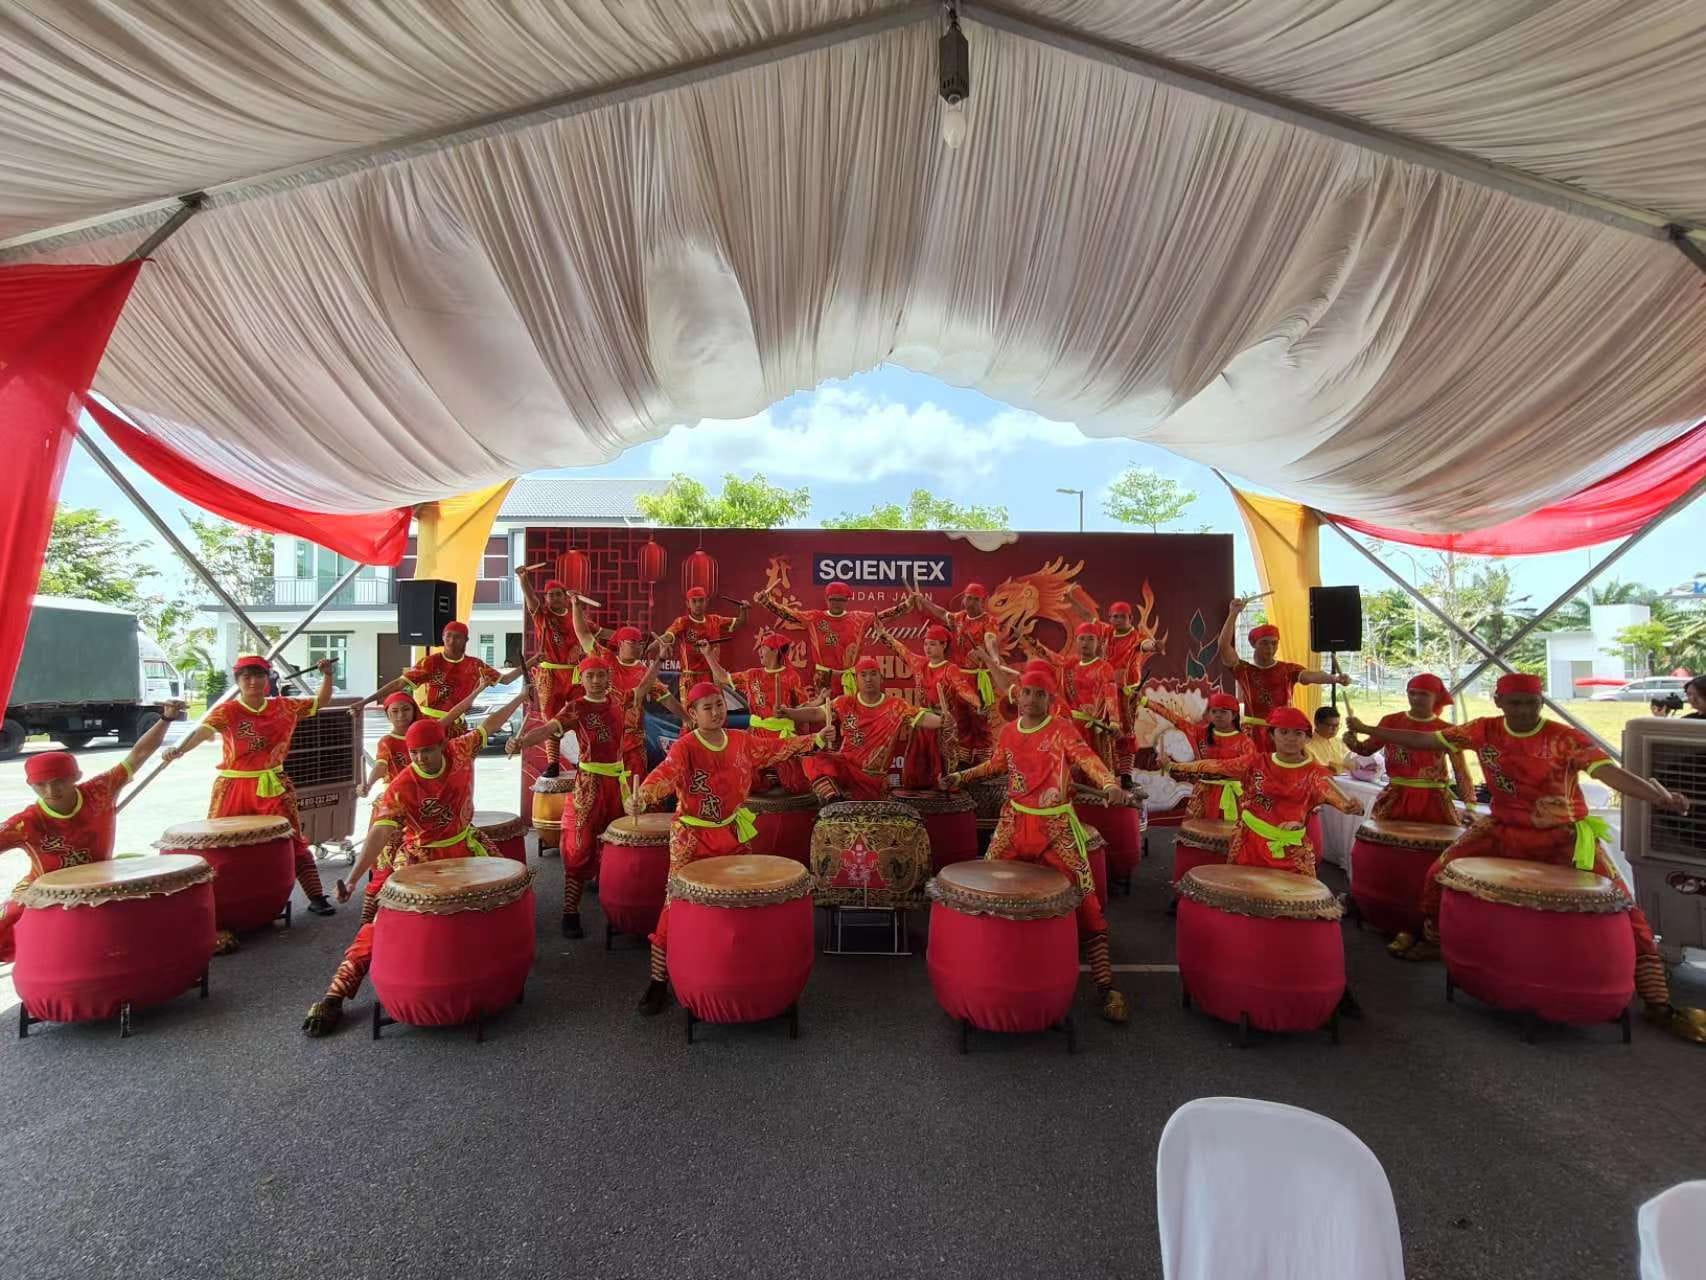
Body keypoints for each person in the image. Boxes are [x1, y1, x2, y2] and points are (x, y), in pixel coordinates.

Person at [1347, 672, 1705, 1044]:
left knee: (1625, 908)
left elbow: (1611, 774)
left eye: (1531, 703)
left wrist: (1656, 796)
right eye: (1515, 703)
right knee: (1439, 871)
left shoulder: (1564, 738)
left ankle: (1658, 1002)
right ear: (1499, 702)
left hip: (1562, 836)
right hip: (1502, 827)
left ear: (1541, 702)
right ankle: (1434, 941)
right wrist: (1371, 729)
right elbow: (1425, 739)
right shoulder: (1483, 729)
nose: (1523, 710)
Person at [302, 687, 532, 1036]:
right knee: (383, 924)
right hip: (420, 858)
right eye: (414, 753)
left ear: (442, 746)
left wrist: (520, 699)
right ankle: (335, 995)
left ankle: (502, 968)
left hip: (465, 845)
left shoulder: (461, 749)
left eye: (427, 751)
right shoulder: (402, 785)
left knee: (512, 895)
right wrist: (353, 877)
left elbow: (491, 723)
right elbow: (380, 833)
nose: (421, 759)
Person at [940, 663, 1137, 1024]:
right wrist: (961, 776)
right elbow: (996, 765)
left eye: (1040, 694)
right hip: (1013, 823)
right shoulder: (1010, 731)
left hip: (1055, 827)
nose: (1031, 699)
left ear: (1050, 699)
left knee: (1086, 901)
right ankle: (990, 969)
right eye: (1027, 692)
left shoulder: (1061, 730)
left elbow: (1087, 759)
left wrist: (1109, 783)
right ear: (1019, 696)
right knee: (987, 892)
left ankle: (1105, 985)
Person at [626, 681, 822, 1016]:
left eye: (719, 705)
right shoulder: (686, 747)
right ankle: (658, 981)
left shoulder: (741, 741)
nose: (716, 712)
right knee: (676, 904)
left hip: (732, 832)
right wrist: (641, 797)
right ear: (693, 714)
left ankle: (739, 970)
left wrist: (815, 740)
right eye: (708, 708)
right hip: (692, 838)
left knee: (743, 899)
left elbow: (776, 747)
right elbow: (663, 775)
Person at [0, 703, 184, 961]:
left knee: (163, 895)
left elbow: (139, 753)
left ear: (76, 776)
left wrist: (166, 718)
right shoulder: (25, 823)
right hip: (45, 889)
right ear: (31, 785)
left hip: (102, 877)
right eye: (41, 785)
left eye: (59, 782)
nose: (51, 791)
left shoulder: (100, 790)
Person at [162, 655, 341, 916]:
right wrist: (178, 749)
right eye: (246, 677)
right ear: (238, 681)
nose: (253, 681)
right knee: (222, 843)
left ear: (268, 679)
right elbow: (202, 733)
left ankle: (315, 895)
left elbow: (321, 701)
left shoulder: (285, 706)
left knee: (290, 840)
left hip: (274, 785)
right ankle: (219, 904)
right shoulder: (227, 711)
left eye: (258, 676)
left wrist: (327, 675)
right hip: (233, 787)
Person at [505, 653, 661, 937]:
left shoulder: (619, 700)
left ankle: (622, 909)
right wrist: (523, 741)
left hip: (618, 783)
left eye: (601, 675)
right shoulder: (576, 708)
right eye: (590, 676)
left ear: (609, 678)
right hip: (589, 785)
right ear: (582, 679)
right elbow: (549, 729)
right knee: (579, 846)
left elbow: (643, 688)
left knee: (621, 844)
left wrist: (658, 660)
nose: (596, 681)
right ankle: (570, 912)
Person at [1162, 705, 1364, 878]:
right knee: (1245, 895)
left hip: (1290, 849)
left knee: (1289, 904)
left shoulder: (1316, 773)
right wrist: (1174, 766)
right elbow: (1214, 765)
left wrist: (1350, 806)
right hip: (1249, 842)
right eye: (1283, 732)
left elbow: (1336, 797)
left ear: (1307, 738)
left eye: (1298, 733)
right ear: (1272, 735)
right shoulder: (1256, 762)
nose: (1290, 739)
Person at [353, 681, 494, 923]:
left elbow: (456, 712)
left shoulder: (426, 732)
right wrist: (369, 782)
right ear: (387, 715)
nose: (401, 716)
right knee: (385, 868)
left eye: (405, 710)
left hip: (428, 809)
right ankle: (370, 923)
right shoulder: (387, 742)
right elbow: (382, 765)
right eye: (395, 711)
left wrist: (478, 690)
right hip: (398, 807)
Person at [792, 657, 943, 802]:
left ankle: (839, 800)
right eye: (863, 675)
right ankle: (833, 799)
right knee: (810, 757)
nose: (868, 679)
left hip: (872, 779)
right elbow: (816, 713)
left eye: (873, 674)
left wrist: (943, 721)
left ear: (881, 678)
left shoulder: (896, 705)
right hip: (846, 770)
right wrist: (789, 713)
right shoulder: (845, 702)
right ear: (856, 679)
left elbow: (922, 718)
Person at [1340, 673, 1472, 825]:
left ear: (1436, 697)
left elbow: (1461, 770)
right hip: (1396, 797)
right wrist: (1351, 741)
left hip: (1434, 801)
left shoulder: (1447, 730)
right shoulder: (1391, 721)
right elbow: (1365, 750)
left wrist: (1470, 805)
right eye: (1412, 693)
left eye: (1424, 694)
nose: (1416, 698)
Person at [1215, 598, 1349, 747]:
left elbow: (1311, 676)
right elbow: (1224, 646)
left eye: (1274, 643)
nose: (1270, 648)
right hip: (1253, 735)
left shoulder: (1288, 670)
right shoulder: (1244, 670)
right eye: (1264, 643)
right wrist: (1233, 613)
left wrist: (1334, 678)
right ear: (1253, 644)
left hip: (1283, 733)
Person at [873, 619, 986, 784]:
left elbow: (964, 689)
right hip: (923, 721)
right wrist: (884, 635)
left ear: (944, 645)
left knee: (941, 768)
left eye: (932, 644)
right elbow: (902, 650)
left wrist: (977, 704)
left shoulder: (950, 669)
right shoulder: (920, 664)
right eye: (926, 644)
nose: (927, 648)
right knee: (917, 767)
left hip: (943, 723)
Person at [358, 621, 510, 740]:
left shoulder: (475, 664)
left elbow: (506, 679)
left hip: (458, 726)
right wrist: (365, 702)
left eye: (457, 637)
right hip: (430, 722)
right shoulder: (431, 662)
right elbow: (399, 683)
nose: (451, 641)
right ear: (443, 638)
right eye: (448, 636)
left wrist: (525, 664)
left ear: (466, 640)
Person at [702, 632, 813, 793]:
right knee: (747, 780)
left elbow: (803, 707)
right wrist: (708, 655)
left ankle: (777, 773)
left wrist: (788, 712)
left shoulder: (791, 676)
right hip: (757, 734)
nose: (759, 651)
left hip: (781, 734)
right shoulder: (752, 674)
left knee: (796, 784)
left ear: (775, 650)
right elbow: (722, 678)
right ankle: (768, 776)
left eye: (763, 648)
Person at [754, 582, 909, 695]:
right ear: (827, 599)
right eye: (832, 599)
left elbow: (883, 616)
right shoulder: (814, 618)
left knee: (850, 717)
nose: (836, 603)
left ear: (847, 600)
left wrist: (907, 604)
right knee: (824, 717)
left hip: (850, 677)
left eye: (840, 600)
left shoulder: (859, 618)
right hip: (824, 678)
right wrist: (768, 603)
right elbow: (789, 614)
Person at [571, 598, 659, 779]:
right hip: (605, 737)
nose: (637, 646)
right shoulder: (606, 659)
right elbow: (583, 634)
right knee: (605, 785)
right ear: (620, 644)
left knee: (635, 787)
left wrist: (686, 718)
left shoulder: (644, 671)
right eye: (632, 642)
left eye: (639, 642)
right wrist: (576, 606)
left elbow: (665, 697)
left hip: (633, 741)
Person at [1021, 623, 1123, 771]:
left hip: (1093, 727)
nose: (1085, 643)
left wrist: (1114, 722)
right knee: (1070, 767)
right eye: (1082, 639)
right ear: (1076, 641)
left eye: (1090, 639)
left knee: (1095, 769)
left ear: (1098, 642)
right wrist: (1035, 644)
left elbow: (1110, 695)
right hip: (1071, 724)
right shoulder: (1072, 663)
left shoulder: (1103, 667)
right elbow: (1054, 658)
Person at [1147, 691, 1258, 820]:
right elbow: (1175, 719)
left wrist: (1173, 766)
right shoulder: (1200, 733)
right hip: (1204, 794)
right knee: (1199, 829)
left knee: (1233, 830)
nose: (1218, 715)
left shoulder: (1245, 742)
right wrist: (1146, 702)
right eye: (1214, 711)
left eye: (1223, 712)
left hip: (1233, 795)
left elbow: (1226, 766)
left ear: (1234, 715)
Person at [515, 564, 587, 728]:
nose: (555, 598)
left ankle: (583, 745)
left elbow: (594, 632)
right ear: (546, 598)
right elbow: (531, 598)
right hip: (550, 674)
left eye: (558, 594)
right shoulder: (542, 616)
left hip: (574, 674)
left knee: (581, 715)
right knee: (550, 720)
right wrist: (523, 579)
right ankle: (552, 746)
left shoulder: (575, 616)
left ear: (565, 597)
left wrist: (621, 636)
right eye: (551, 595)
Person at [912, 584, 1004, 697]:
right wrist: (923, 601)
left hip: (976, 677)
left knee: (976, 706)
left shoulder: (989, 621)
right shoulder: (960, 617)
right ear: (964, 599)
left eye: (976, 599)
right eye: (969, 598)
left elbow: (990, 639)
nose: (971, 603)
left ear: (983, 602)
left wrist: (994, 657)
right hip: (957, 675)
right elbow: (943, 613)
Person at [657, 587, 749, 685]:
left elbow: (740, 622)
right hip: (690, 678)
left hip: (713, 676)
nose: (698, 604)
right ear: (687, 604)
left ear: (706, 602)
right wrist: (654, 643)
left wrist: (743, 610)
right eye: (694, 601)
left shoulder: (715, 620)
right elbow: (667, 636)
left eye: (701, 600)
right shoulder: (682, 622)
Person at [1304, 706, 1353, 772]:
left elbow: (1352, 762)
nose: (1335, 729)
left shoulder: (1340, 742)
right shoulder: (1307, 746)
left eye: (1337, 725)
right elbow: (1316, 770)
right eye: (1331, 725)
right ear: (1317, 724)